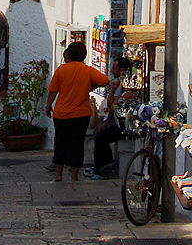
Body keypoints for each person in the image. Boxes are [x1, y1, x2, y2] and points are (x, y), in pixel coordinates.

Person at [45, 41, 109, 182]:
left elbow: (53, 91)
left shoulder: (61, 70)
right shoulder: (87, 70)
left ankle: (58, 175)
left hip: (61, 113)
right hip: (81, 113)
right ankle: (74, 176)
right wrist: (89, 87)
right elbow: (105, 80)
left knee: (60, 142)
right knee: (77, 144)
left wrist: (48, 106)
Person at [85, 55, 134, 178]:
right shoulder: (118, 83)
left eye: (114, 68)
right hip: (116, 118)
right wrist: (112, 90)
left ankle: (102, 167)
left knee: (101, 135)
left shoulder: (129, 87)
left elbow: (115, 104)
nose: (111, 71)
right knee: (97, 131)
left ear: (122, 70)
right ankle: (103, 164)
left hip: (124, 123)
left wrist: (107, 121)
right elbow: (110, 103)